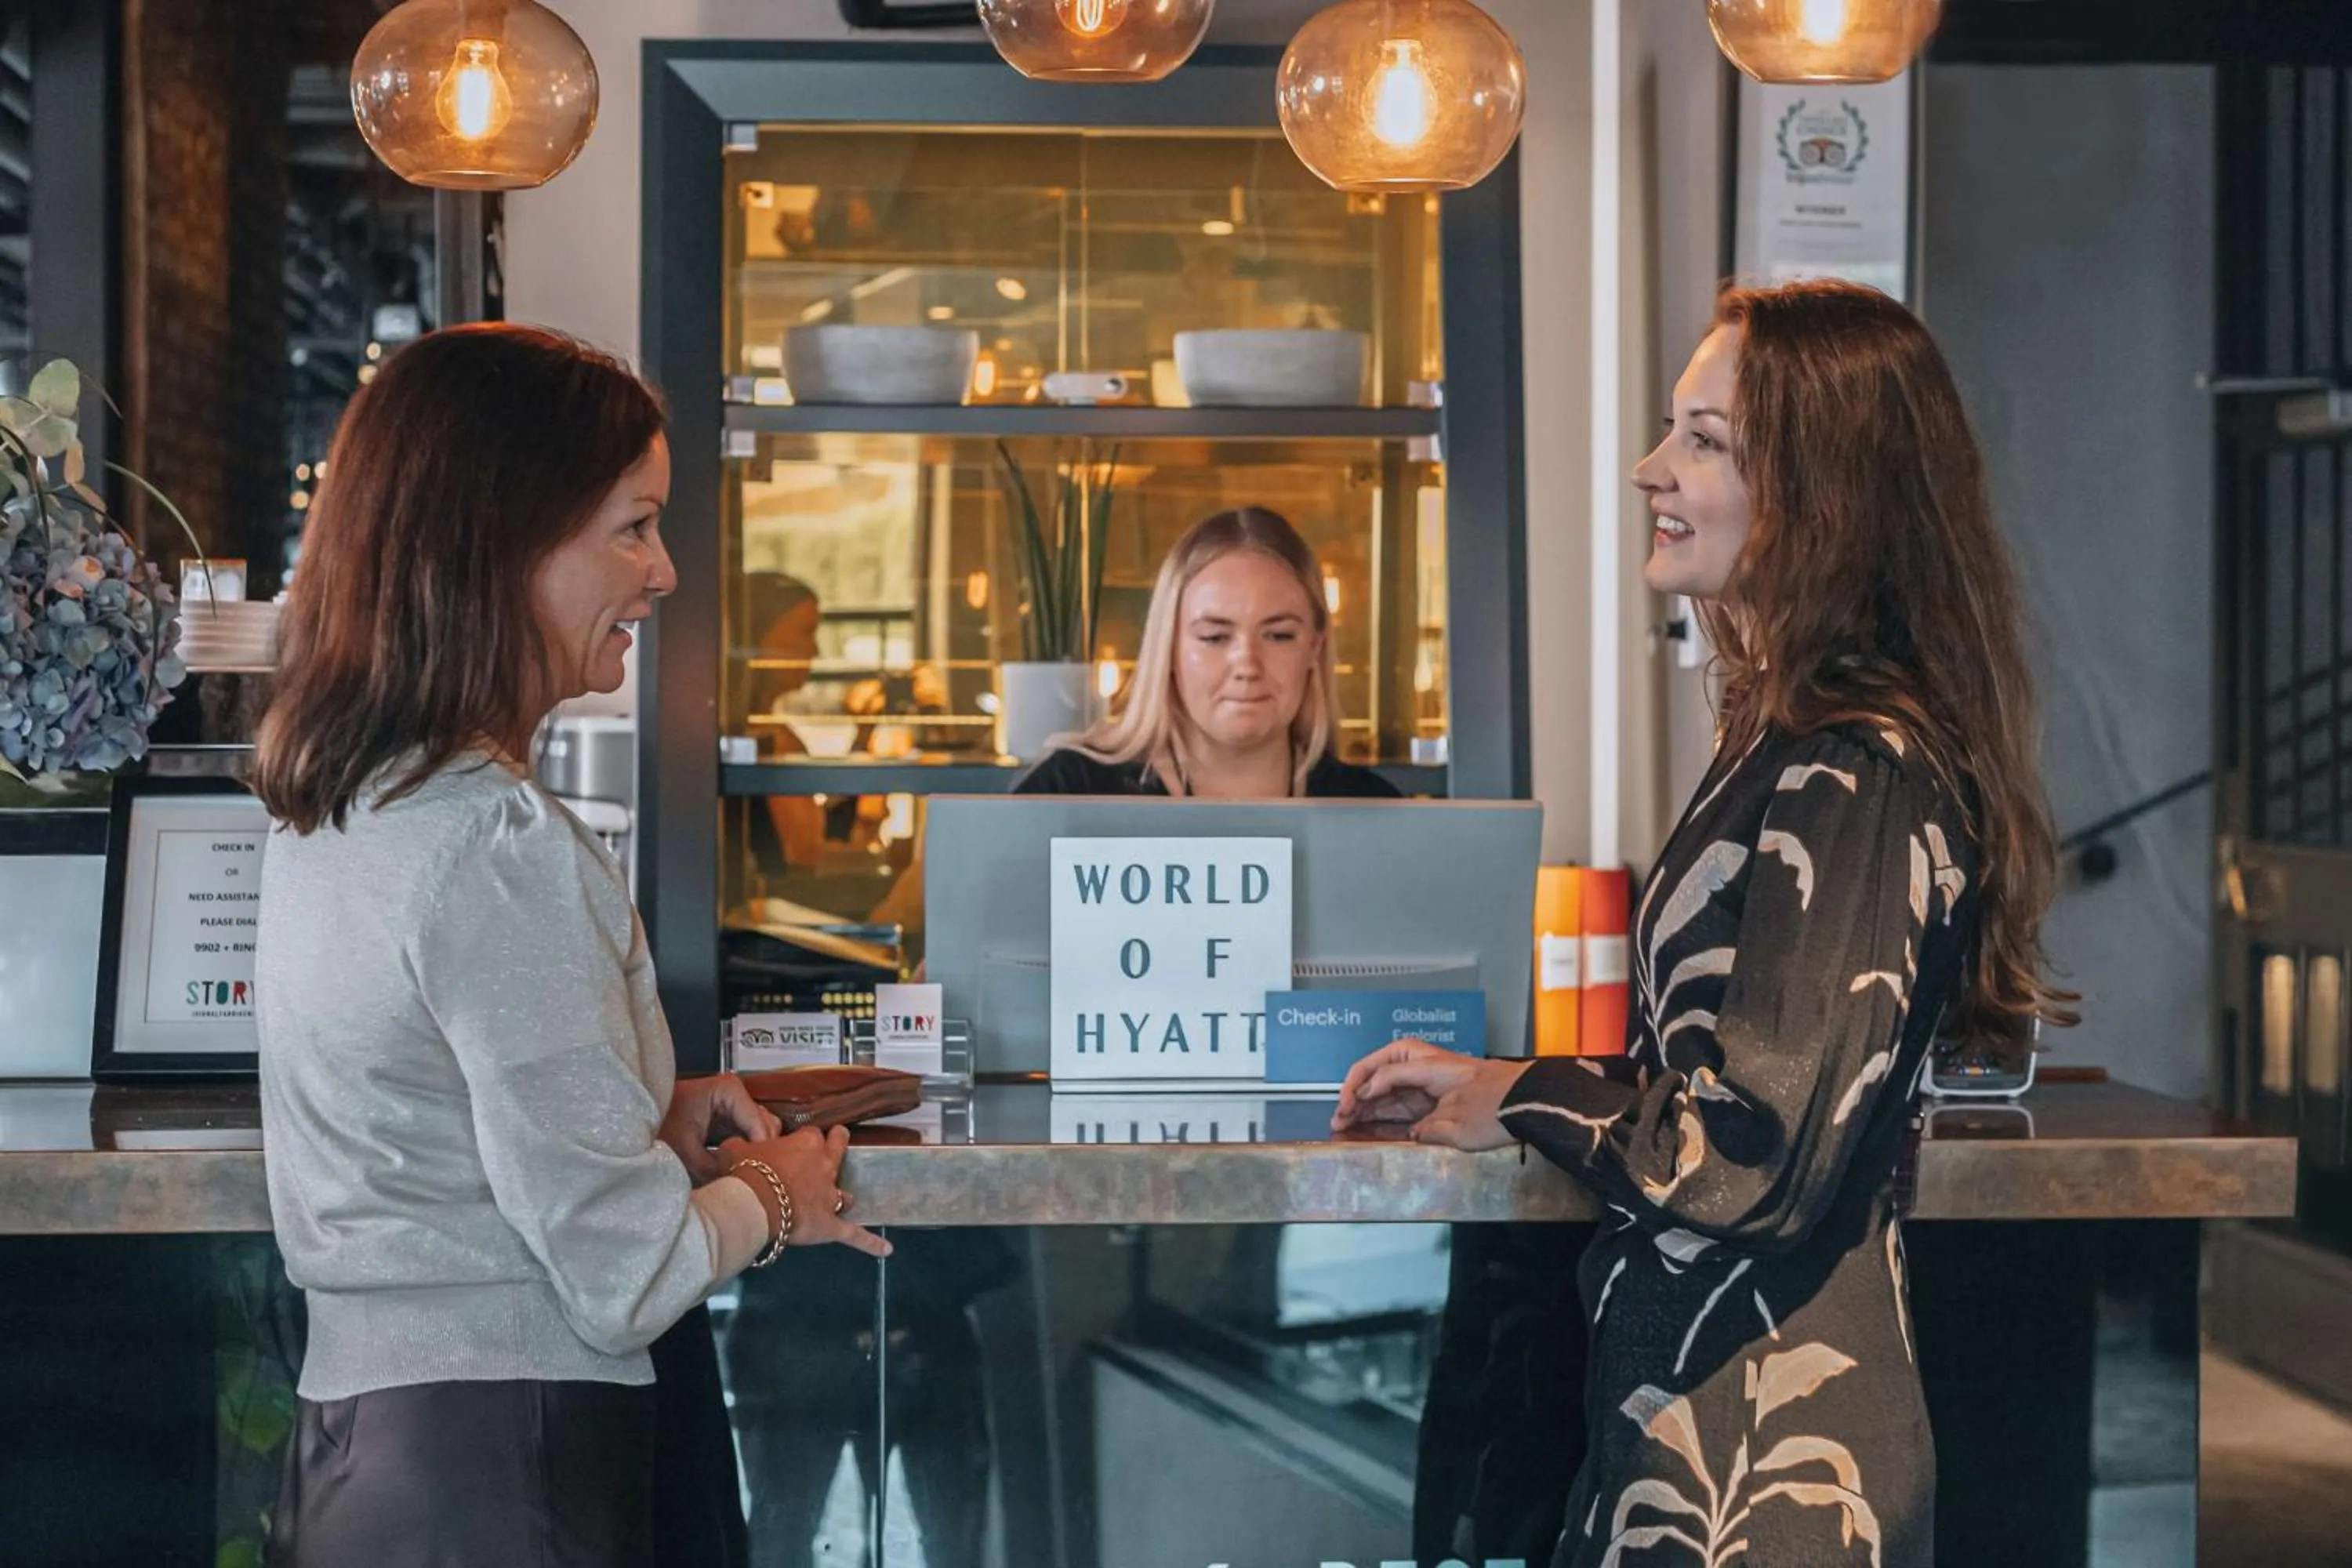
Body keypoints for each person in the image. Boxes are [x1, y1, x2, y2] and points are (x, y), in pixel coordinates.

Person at [1335, 280, 2073, 1568]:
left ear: (1819, 490)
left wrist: (1527, 1090)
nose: (1648, 467)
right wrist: (1500, 1093)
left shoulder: (1862, 769)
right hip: (1693, 1431)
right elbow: (1725, 1081)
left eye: (1705, 439)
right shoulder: (1794, 744)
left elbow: (1756, 1153)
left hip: (1773, 1469)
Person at [252, 324, 891, 1568]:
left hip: (362, 1456)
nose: (662, 574)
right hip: (507, 1467)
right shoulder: (495, 844)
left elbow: (434, 1138)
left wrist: (651, 1108)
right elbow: (624, 1270)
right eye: (632, 526)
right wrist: (778, 1194)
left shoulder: (337, 808)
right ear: (503, 543)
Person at [1017, 506, 1399, 800]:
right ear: (1168, 648)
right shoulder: (1067, 793)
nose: (1247, 665)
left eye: (1279, 635)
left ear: (1315, 647)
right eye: (1215, 638)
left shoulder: (1371, 809)